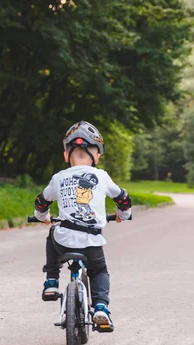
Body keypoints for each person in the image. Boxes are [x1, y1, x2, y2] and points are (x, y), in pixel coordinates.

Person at [33, 121, 132, 333]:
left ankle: (51, 280)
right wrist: (124, 214)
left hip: (63, 240)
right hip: (92, 243)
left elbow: (41, 201)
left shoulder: (58, 177)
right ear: (96, 156)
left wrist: (42, 216)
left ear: (66, 155)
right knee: (99, 271)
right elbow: (123, 197)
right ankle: (101, 307)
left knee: (52, 233)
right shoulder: (102, 176)